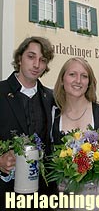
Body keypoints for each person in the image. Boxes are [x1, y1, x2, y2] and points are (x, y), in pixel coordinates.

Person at [0, 36, 54, 210]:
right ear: (19, 58)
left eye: (42, 60)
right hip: (5, 193)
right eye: (31, 57)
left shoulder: (51, 97)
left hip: (42, 195)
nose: (36, 64)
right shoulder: (1, 92)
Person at [52, 56, 99, 143]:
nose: (78, 80)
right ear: (62, 80)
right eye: (72, 74)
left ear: (89, 82)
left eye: (84, 76)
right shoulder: (53, 115)